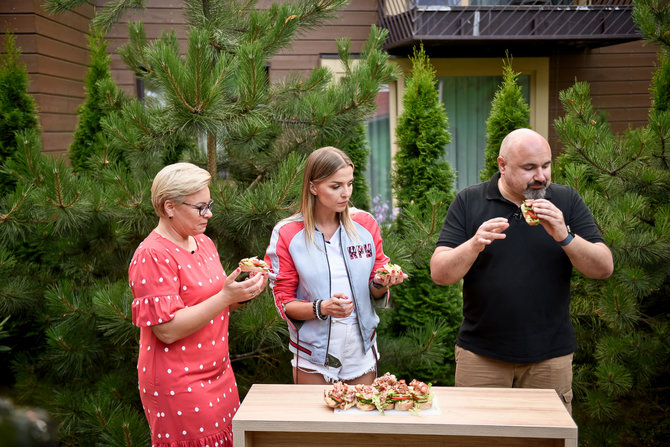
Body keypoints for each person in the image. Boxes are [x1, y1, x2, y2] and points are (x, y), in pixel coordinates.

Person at [430, 128, 613, 413]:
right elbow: (440, 273)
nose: (540, 176)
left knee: (546, 440)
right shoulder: (469, 201)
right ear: (502, 165)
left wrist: (565, 236)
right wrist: (474, 245)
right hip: (481, 357)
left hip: (549, 359)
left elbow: (603, 267)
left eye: (546, 165)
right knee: (478, 438)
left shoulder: (566, 201)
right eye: (529, 168)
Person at [128, 162, 268, 446]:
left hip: (219, 374)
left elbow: (212, 306)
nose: (210, 213)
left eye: (210, 204)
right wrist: (226, 297)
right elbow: (166, 329)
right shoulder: (152, 255)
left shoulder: (204, 243)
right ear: (169, 207)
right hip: (179, 383)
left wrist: (241, 294)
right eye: (201, 207)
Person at [265, 146, 406, 385]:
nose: (346, 193)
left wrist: (381, 282)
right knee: (315, 422)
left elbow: (376, 286)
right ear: (313, 187)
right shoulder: (287, 233)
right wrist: (323, 308)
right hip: (312, 354)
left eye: (350, 184)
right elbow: (284, 302)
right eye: (336, 186)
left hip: (361, 350)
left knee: (360, 420)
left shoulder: (365, 224)